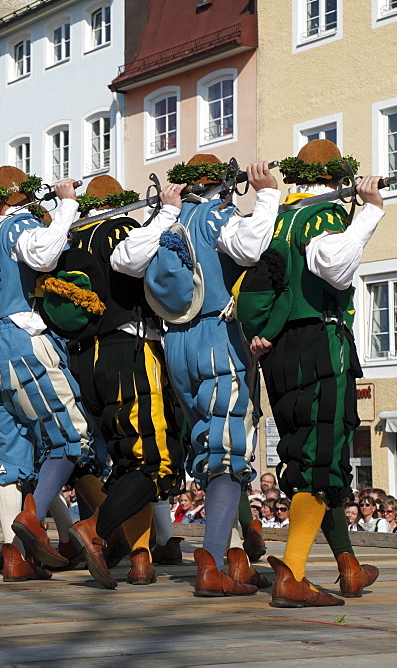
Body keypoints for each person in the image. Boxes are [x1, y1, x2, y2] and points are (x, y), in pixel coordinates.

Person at [118, 157, 281, 597]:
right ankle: (211, 566)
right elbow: (249, 247)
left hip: (177, 342)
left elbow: (125, 259)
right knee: (228, 446)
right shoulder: (215, 214)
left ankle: (235, 557)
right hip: (218, 335)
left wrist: (165, 212)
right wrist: (268, 195)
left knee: (207, 446)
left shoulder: (168, 220)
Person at [241, 140, 384, 606]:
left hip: (277, 349)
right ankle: (294, 573)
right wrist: (369, 212)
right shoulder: (318, 216)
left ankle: (348, 566)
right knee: (321, 462)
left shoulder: (277, 217)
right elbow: (336, 267)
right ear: (337, 178)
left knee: (309, 458)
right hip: (320, 343)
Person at [0, 166, 95, 582]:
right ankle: (30, 522)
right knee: (71, 436)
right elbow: (44, 253)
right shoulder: (20, 226)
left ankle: (16, 558)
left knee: (12, 456)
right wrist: (67, 203)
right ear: (21, 197)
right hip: (22, 342)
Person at [45, 174, 185, 589]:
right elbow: (129, 258)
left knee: (128, 462)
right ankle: (97, 528)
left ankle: (141, 559)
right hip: (129, 350)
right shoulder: (119, 227)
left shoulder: (69, 242)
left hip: (88, 359)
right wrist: (166, 214)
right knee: (158, 461)